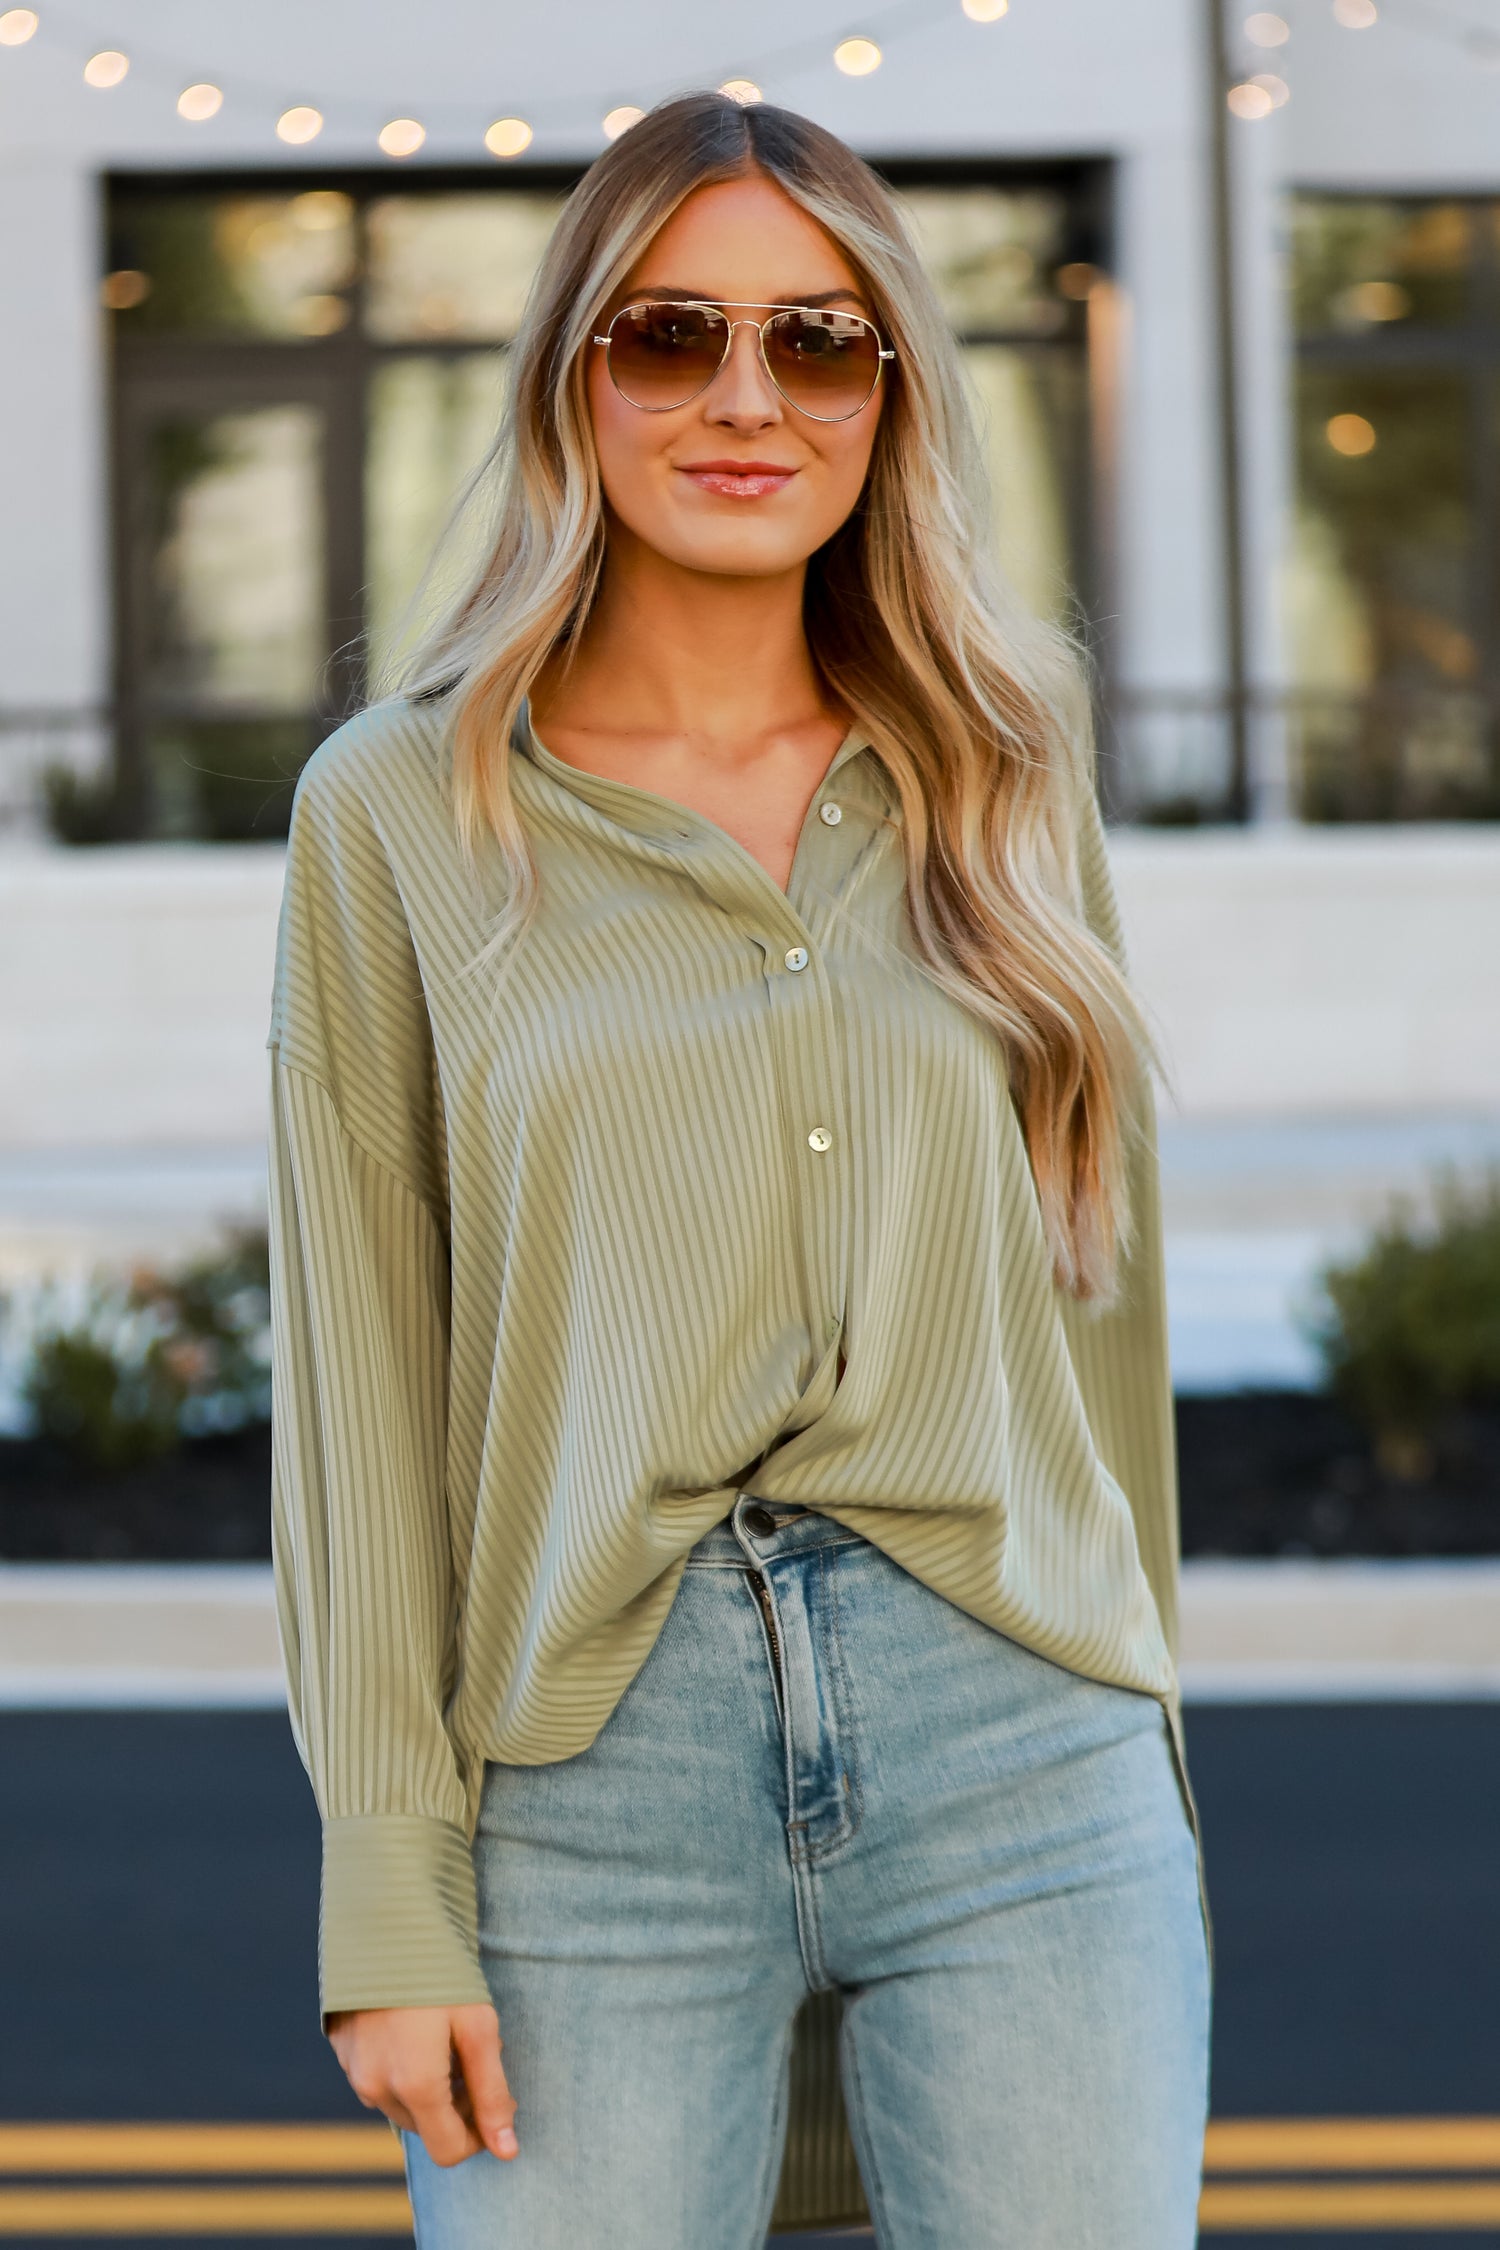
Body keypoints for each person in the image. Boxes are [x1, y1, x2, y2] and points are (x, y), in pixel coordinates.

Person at [266, 90, 1211, 2250]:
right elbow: (360, 1391)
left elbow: (1105, 1334)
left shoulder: (1006, 770)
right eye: (669, 336)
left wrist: (1150, 1752)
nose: (745, 399)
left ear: (892, 390)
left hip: (1024, 1753)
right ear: (571, 381)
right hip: (591, 1775)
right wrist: (387, 1884)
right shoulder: (397, 816)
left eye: (818, 340)